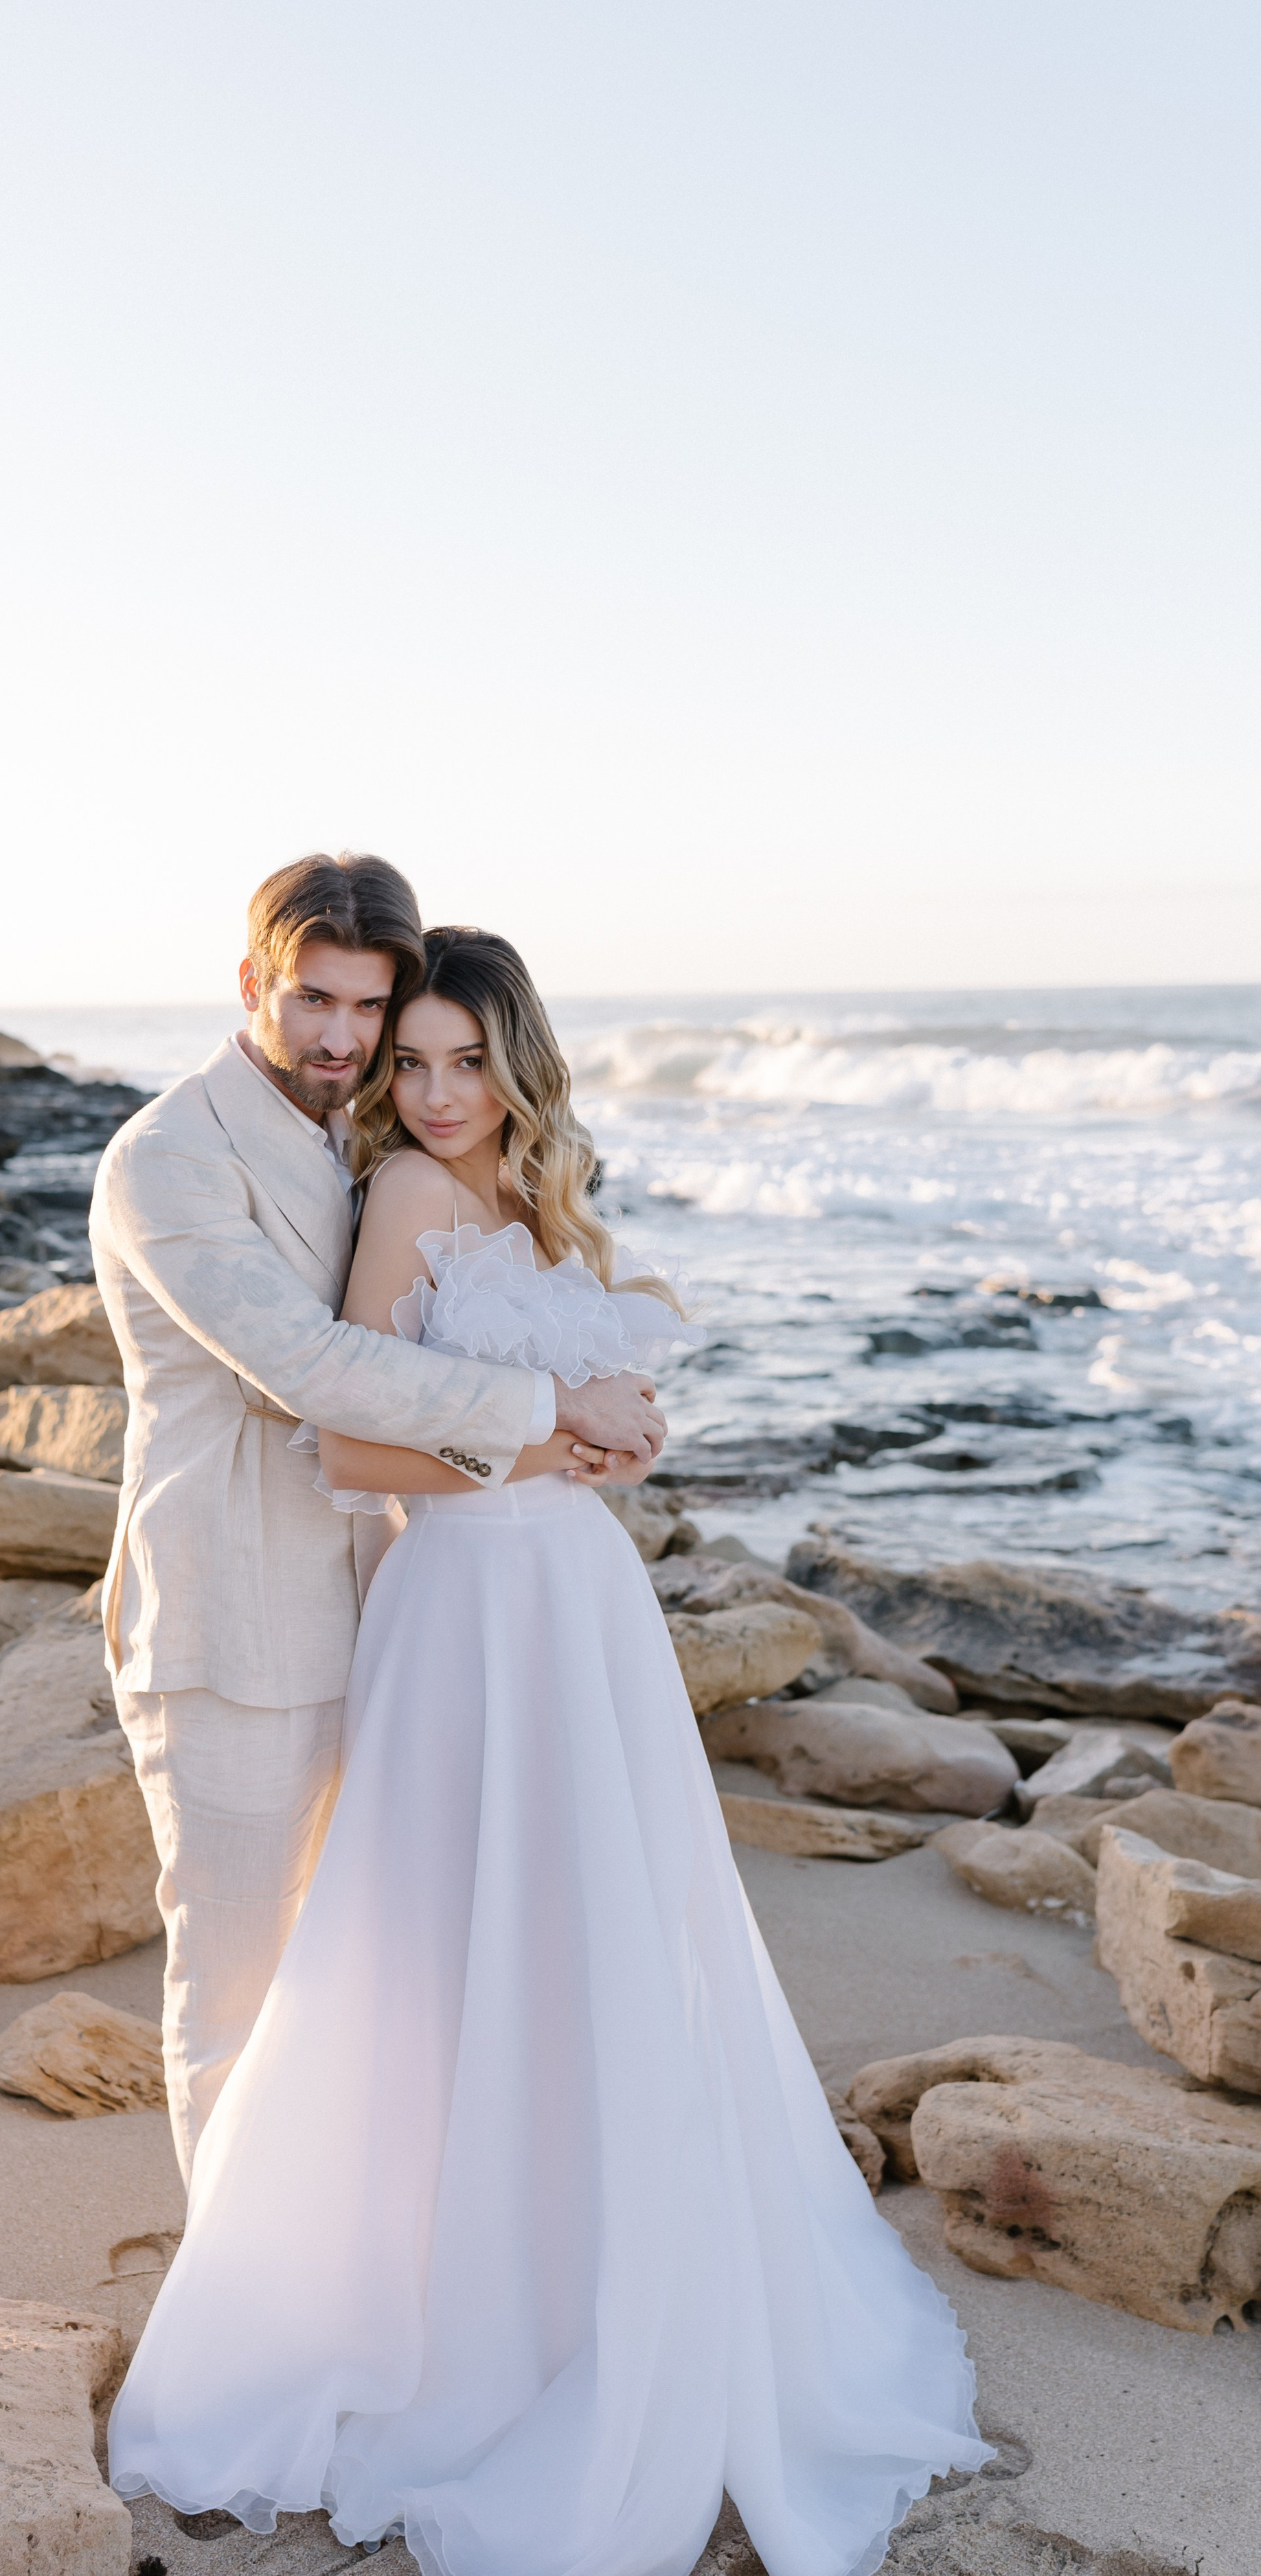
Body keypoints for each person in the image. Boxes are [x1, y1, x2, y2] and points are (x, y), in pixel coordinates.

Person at [109, 927, 990, 2576]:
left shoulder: (531, 1201)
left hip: (575, 1605)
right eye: (410, 1060)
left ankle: (610, 2256)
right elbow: (352, 1444)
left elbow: (578, 1392)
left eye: (460, 1060)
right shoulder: (395, 1203)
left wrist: (621, 1433)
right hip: (469, 1613)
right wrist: (549, 1447)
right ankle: (452, 2299)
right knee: (462, 1941)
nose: (433, 1093)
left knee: (616, 1929)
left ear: (516, 1064)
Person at [88, 856, 668, 2178]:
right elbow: (315, 1373)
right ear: (252, 983)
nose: (344, 1038)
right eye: (315, 1001)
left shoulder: (358, 1131)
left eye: (370, 1011)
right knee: (239, 1990)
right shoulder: (171, 1158)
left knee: (367, 1984)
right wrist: (555, 1406)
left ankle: (366, 2262)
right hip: (233, 1619)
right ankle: (231, 2323)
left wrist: (608, 1398)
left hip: (393, 1612)